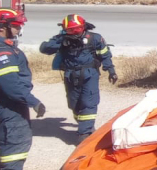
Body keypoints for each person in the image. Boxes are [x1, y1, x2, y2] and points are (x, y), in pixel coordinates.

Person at [0, 9, 46, 170]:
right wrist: (33, 101)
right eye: (15, 25)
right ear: (1, 28)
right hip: (9, 104)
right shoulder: (2, 53)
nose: (18, 28)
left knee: (1, 138)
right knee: (16, 140)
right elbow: (11, 85)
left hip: (1, 103)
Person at [39, 14, 117, 143]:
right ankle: (84, 123)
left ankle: (84, 134)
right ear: (65, 29)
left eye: (77, 29)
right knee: (74, 104)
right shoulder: (62, 39)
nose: (74, 32)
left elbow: (105, 55)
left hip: (90, 74)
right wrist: (61, 40)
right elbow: (44, 49)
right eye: (71, 30)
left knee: (89, 102)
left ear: (83, 27)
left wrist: (111, 70)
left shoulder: (95, 38)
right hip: (70, 75)